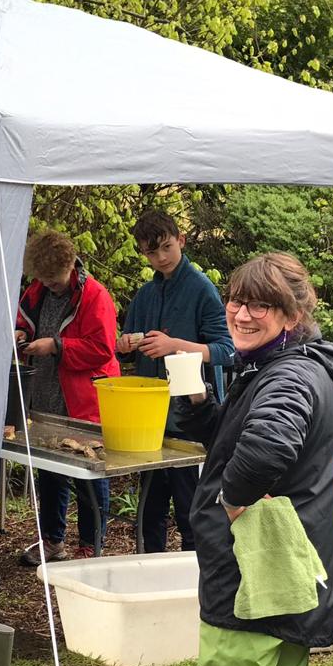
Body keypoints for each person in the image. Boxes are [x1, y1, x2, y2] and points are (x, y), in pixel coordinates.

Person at [179, 253, 333, 666]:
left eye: (260, 305)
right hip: (292, 567)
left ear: (292, 316)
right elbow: (237, 440)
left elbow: (268, 445)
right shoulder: (281, 365)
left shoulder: (290, 373)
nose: (241, 313)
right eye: (237, 300)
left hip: (255, 568)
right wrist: (198, 405)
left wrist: (233, 500)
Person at [117, 210, 234, 553]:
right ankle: (147, 570)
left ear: (181, 240)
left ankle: (195, 580)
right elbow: (126, 345)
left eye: (166, 247)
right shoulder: (145, 294)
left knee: (191, 509)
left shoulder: (202, 290)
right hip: (150, 418)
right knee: (150, 506)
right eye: (151, 253)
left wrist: (175, 347)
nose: (161, 258)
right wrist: (124, 346)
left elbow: (227, 351)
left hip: (192, 419)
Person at [16, 230, 120, 566]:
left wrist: (56, 346)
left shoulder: (95, 296)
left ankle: (91, 544)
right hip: (46, 394)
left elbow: (103, 349)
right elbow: (25, 318)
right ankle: (52, 541)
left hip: (84, 399)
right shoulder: (38, 290)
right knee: (50, 473)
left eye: (56, 282)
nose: (51, 287)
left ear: (71, 266)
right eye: (45, 281)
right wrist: (22, 332)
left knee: (88, 474)